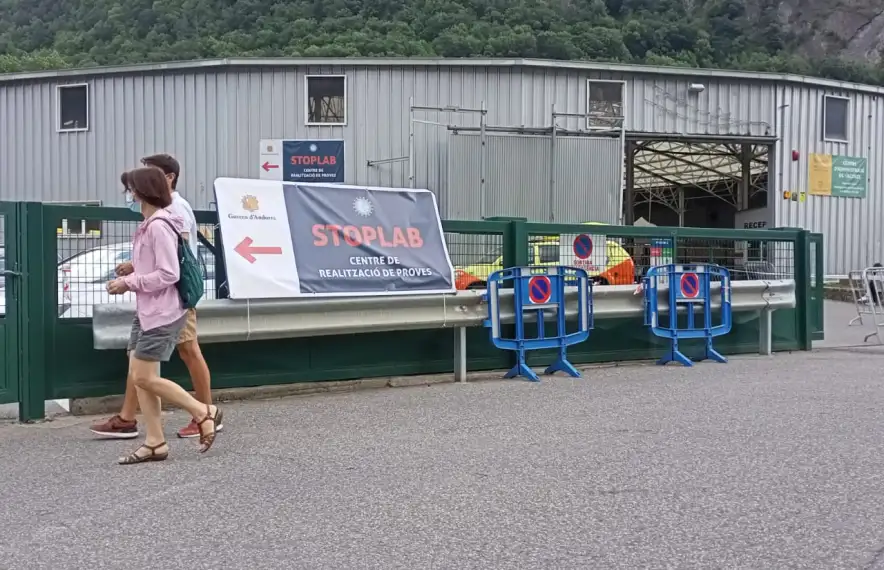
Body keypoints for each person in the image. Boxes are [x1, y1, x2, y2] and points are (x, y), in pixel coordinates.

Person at [90, 153, 221, 439]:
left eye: (147, 175)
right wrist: (135, 267)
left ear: (166, 179)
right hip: (155, 300)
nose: (131, 193)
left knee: (180, 355)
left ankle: (205, 411)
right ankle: (144, 429)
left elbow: (171, 264)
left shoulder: (173, 211)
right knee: (141, 368)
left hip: (171, 300)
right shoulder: (154, 220)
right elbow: (163, 256)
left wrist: (131, 279)